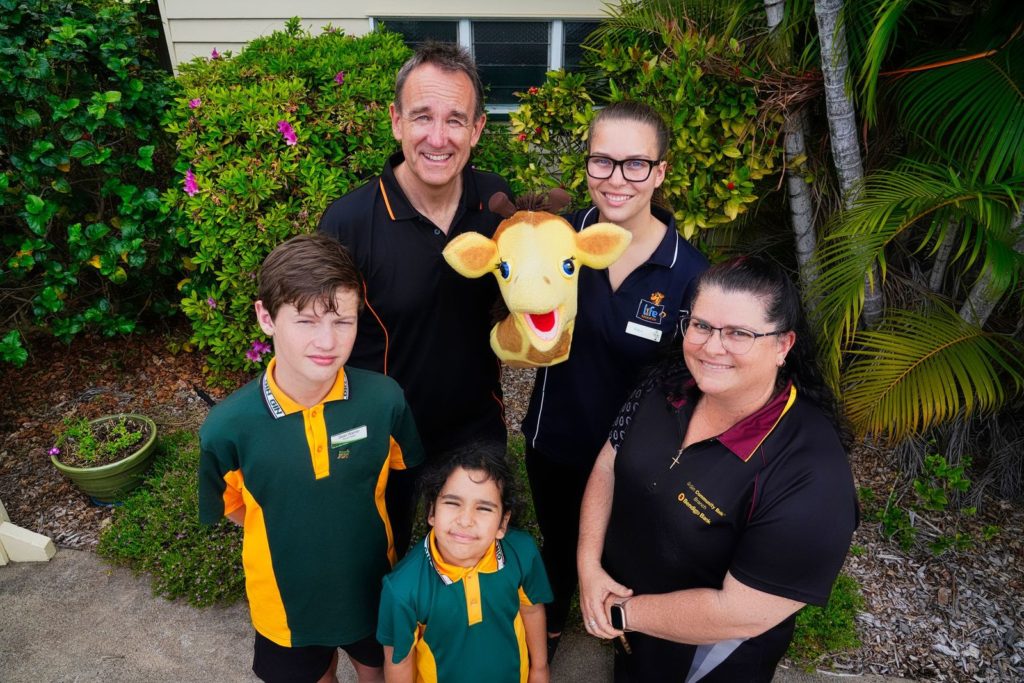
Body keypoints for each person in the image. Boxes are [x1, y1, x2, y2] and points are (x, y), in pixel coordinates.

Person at [577, 256, 859, 682]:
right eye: (702, 326)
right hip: (627, 627)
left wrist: (620, 612)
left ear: (783, 345)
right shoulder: (667, 383)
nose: (711, 347)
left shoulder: (812, 479)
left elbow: (740, 614)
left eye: (739, 334)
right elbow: (608, 463)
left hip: (702, 662)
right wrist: (588, 567)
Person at [521, 101, 708, 659]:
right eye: (602, 162)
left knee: (630, 554)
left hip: (637, 458)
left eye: (635, 164)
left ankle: (629, 635)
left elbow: (691, 384)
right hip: (554, 438)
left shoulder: (690, 275)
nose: (616, 180)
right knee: (557, 545)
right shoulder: (553, 237)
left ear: (660, 172)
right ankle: (549, 631)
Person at [198, 234, 425, 683]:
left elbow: (401, 477)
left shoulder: (385, 400)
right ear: (266, 317)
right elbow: (234, 508)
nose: (327, 341)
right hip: (284, 609)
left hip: (375, 590)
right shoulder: (227, 427)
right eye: (305, 321)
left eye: (342, 321)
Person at [318, 42, 509, 557]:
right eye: (422, 117)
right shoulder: (350, 222)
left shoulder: (496, 204)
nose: (438, 138)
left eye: (455, 119)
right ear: (397, 121)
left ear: (477, 129)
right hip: (385, 437)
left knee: (469, 558)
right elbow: (319, 339)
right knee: (385, 563)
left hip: (476, 426)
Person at [377, 441, 553, 683]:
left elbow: (532, 609)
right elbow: (400, 661)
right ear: (431, 512)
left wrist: (540, 668)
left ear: (503, 524)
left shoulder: (522, 553)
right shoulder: (402, 589)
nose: (465, 520)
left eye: (483, 508)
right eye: (452, 503)